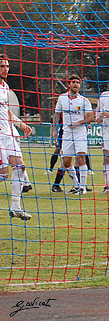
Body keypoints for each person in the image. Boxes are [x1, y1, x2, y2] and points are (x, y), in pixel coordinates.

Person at [0, 55, 33, 220]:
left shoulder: (5, 86)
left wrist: (21, 124)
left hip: (9, 134)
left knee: (20, 168)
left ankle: (16, 208)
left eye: (7, 66)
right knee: (3, 174)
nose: (5, 69)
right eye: (2, 66)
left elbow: (7, 111)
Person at [55, 74, 94, 195]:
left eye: (78, 82)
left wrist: (79, 123)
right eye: (73, 82)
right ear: (69, 84)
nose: (76, 84)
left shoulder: (84, 100)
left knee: (81, 157)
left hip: (80, 132)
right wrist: (55, 130)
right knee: (66, 162)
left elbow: (91, 117)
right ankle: (76, 185)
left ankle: (82, 187)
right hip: (67, 133)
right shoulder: (62, 98)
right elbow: (57, 114)